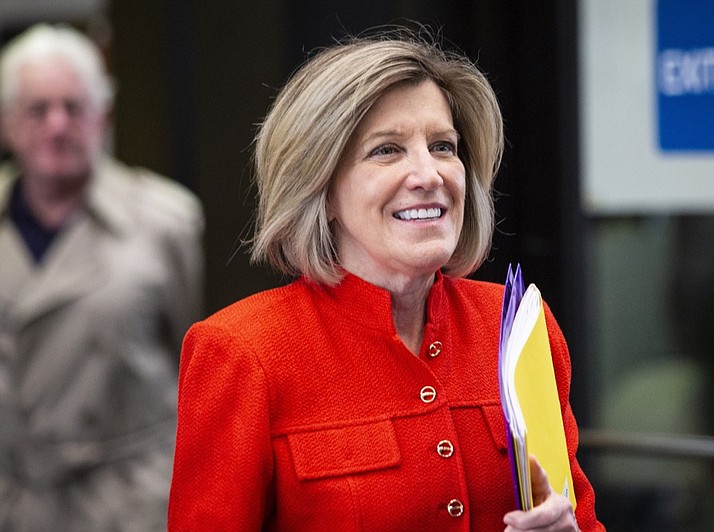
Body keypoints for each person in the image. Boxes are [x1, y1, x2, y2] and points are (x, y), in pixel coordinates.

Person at [168, 29, 603, 531]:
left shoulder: (516, 325)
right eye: (386, 151)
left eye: (443, 146)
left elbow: (584, 521)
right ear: (322, 188)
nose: (429, 174)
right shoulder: (242, 351)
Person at [0, 23, 204, 530]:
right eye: (38, 109)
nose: (57, 125)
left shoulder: (165, 219)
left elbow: (192, 355)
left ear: (103, 116)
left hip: (127, 503)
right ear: (7, 123)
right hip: (17, 499)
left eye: (74, 107)